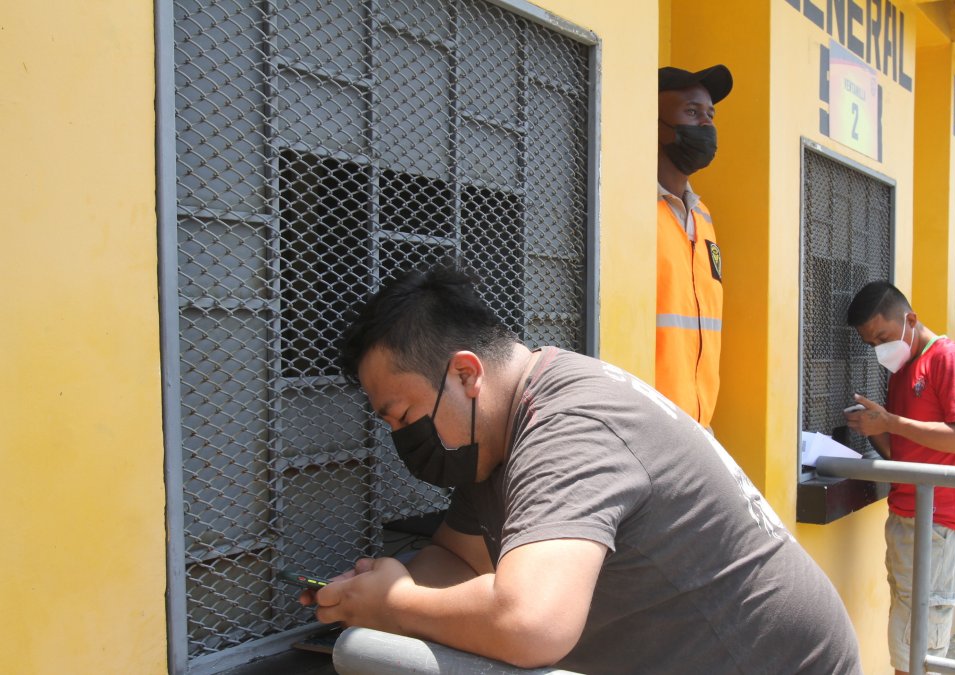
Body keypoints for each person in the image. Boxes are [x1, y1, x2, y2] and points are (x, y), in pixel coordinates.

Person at [303, 265, 863, 674]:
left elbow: (532, 624)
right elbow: (458, 556)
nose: (403, 437)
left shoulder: (571, 426)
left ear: (467, 376)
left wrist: (397, 606)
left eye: (402, 415)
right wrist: (376, 589)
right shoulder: (495, 437)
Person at [843, 281, 955, 675]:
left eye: (883, 337)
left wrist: (891, 422)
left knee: (918, 644)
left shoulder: (949, 358)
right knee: (907, 634)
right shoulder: (902, 370)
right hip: (906, 514)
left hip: (940, 520)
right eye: (871, 343)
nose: (879, 348)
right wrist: (876, 430)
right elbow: (904, 450)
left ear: (911, 320)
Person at [656, 64, 732, 428]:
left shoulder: (703, 217)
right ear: (653, 121)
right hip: (645, 430)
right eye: (691, 112)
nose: (706, 125)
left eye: (710, 115)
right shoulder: (631, 209)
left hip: (697, 431)